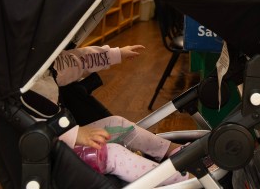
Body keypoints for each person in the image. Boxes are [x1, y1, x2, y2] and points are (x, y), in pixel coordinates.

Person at [26, 44, 189, 186]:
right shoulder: (19, 90)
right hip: (50, 152)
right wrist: (74, 134)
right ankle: (183, 179)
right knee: (114, 154)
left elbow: (78, 61)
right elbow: (30, 123)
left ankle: (174, 150)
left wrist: (115, 54)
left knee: (116, 123)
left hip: (66, 135)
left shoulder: (43, 64)